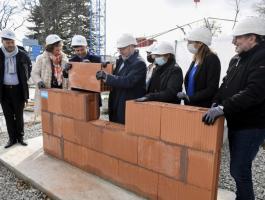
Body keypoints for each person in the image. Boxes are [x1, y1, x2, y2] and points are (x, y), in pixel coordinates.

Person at [202, 17, 265, 200]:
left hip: (252, 125)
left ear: (252, 38)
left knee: (239, 169)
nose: (233, 42)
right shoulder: (237, 59)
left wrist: (224, 107)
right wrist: (216, 101)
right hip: (237, 121)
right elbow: (225, 85)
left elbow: (254, 92)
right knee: (237, 168)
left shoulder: (261, 58)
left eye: (237, 37)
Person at [96, 33, 146, 124]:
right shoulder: (122, 60)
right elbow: (117, 76)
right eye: (119, 49)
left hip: (126, 104)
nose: (120, 51)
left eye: (123, 49)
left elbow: (128, 81)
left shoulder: (139, 63)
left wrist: (107, 77)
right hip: (116, 101)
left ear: (131, 46)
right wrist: (107, 67)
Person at [0, 29, 32, 148]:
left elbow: (28, 69)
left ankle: (20, 137)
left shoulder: (22, 54)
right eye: (7, 42)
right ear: (2, 41)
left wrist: (24, 80)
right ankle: (11, 139)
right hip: (4, 91)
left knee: (19, 115)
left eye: (12, 42)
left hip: (18, 90)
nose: (10, 45)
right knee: (8, 116)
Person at [177, 27, 221, 108]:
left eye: (190, 42)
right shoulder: (195, 59)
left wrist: (191, 98)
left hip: (203, 106)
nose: (188, 44)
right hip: (191, 104)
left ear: (200, 43)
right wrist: (187, 97)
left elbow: (211, 88)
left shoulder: (212, 59)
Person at [31, 34, 68, 115]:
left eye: (60, 46)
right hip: (45, 90)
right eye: (56, 47)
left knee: (60, 112)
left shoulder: (64, 58)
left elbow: (68, 76)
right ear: (50, 48)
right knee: (46, 110)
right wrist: (39, 82)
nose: (59, 49)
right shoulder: (42, 59)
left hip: (60, 90)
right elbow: (34, 73)